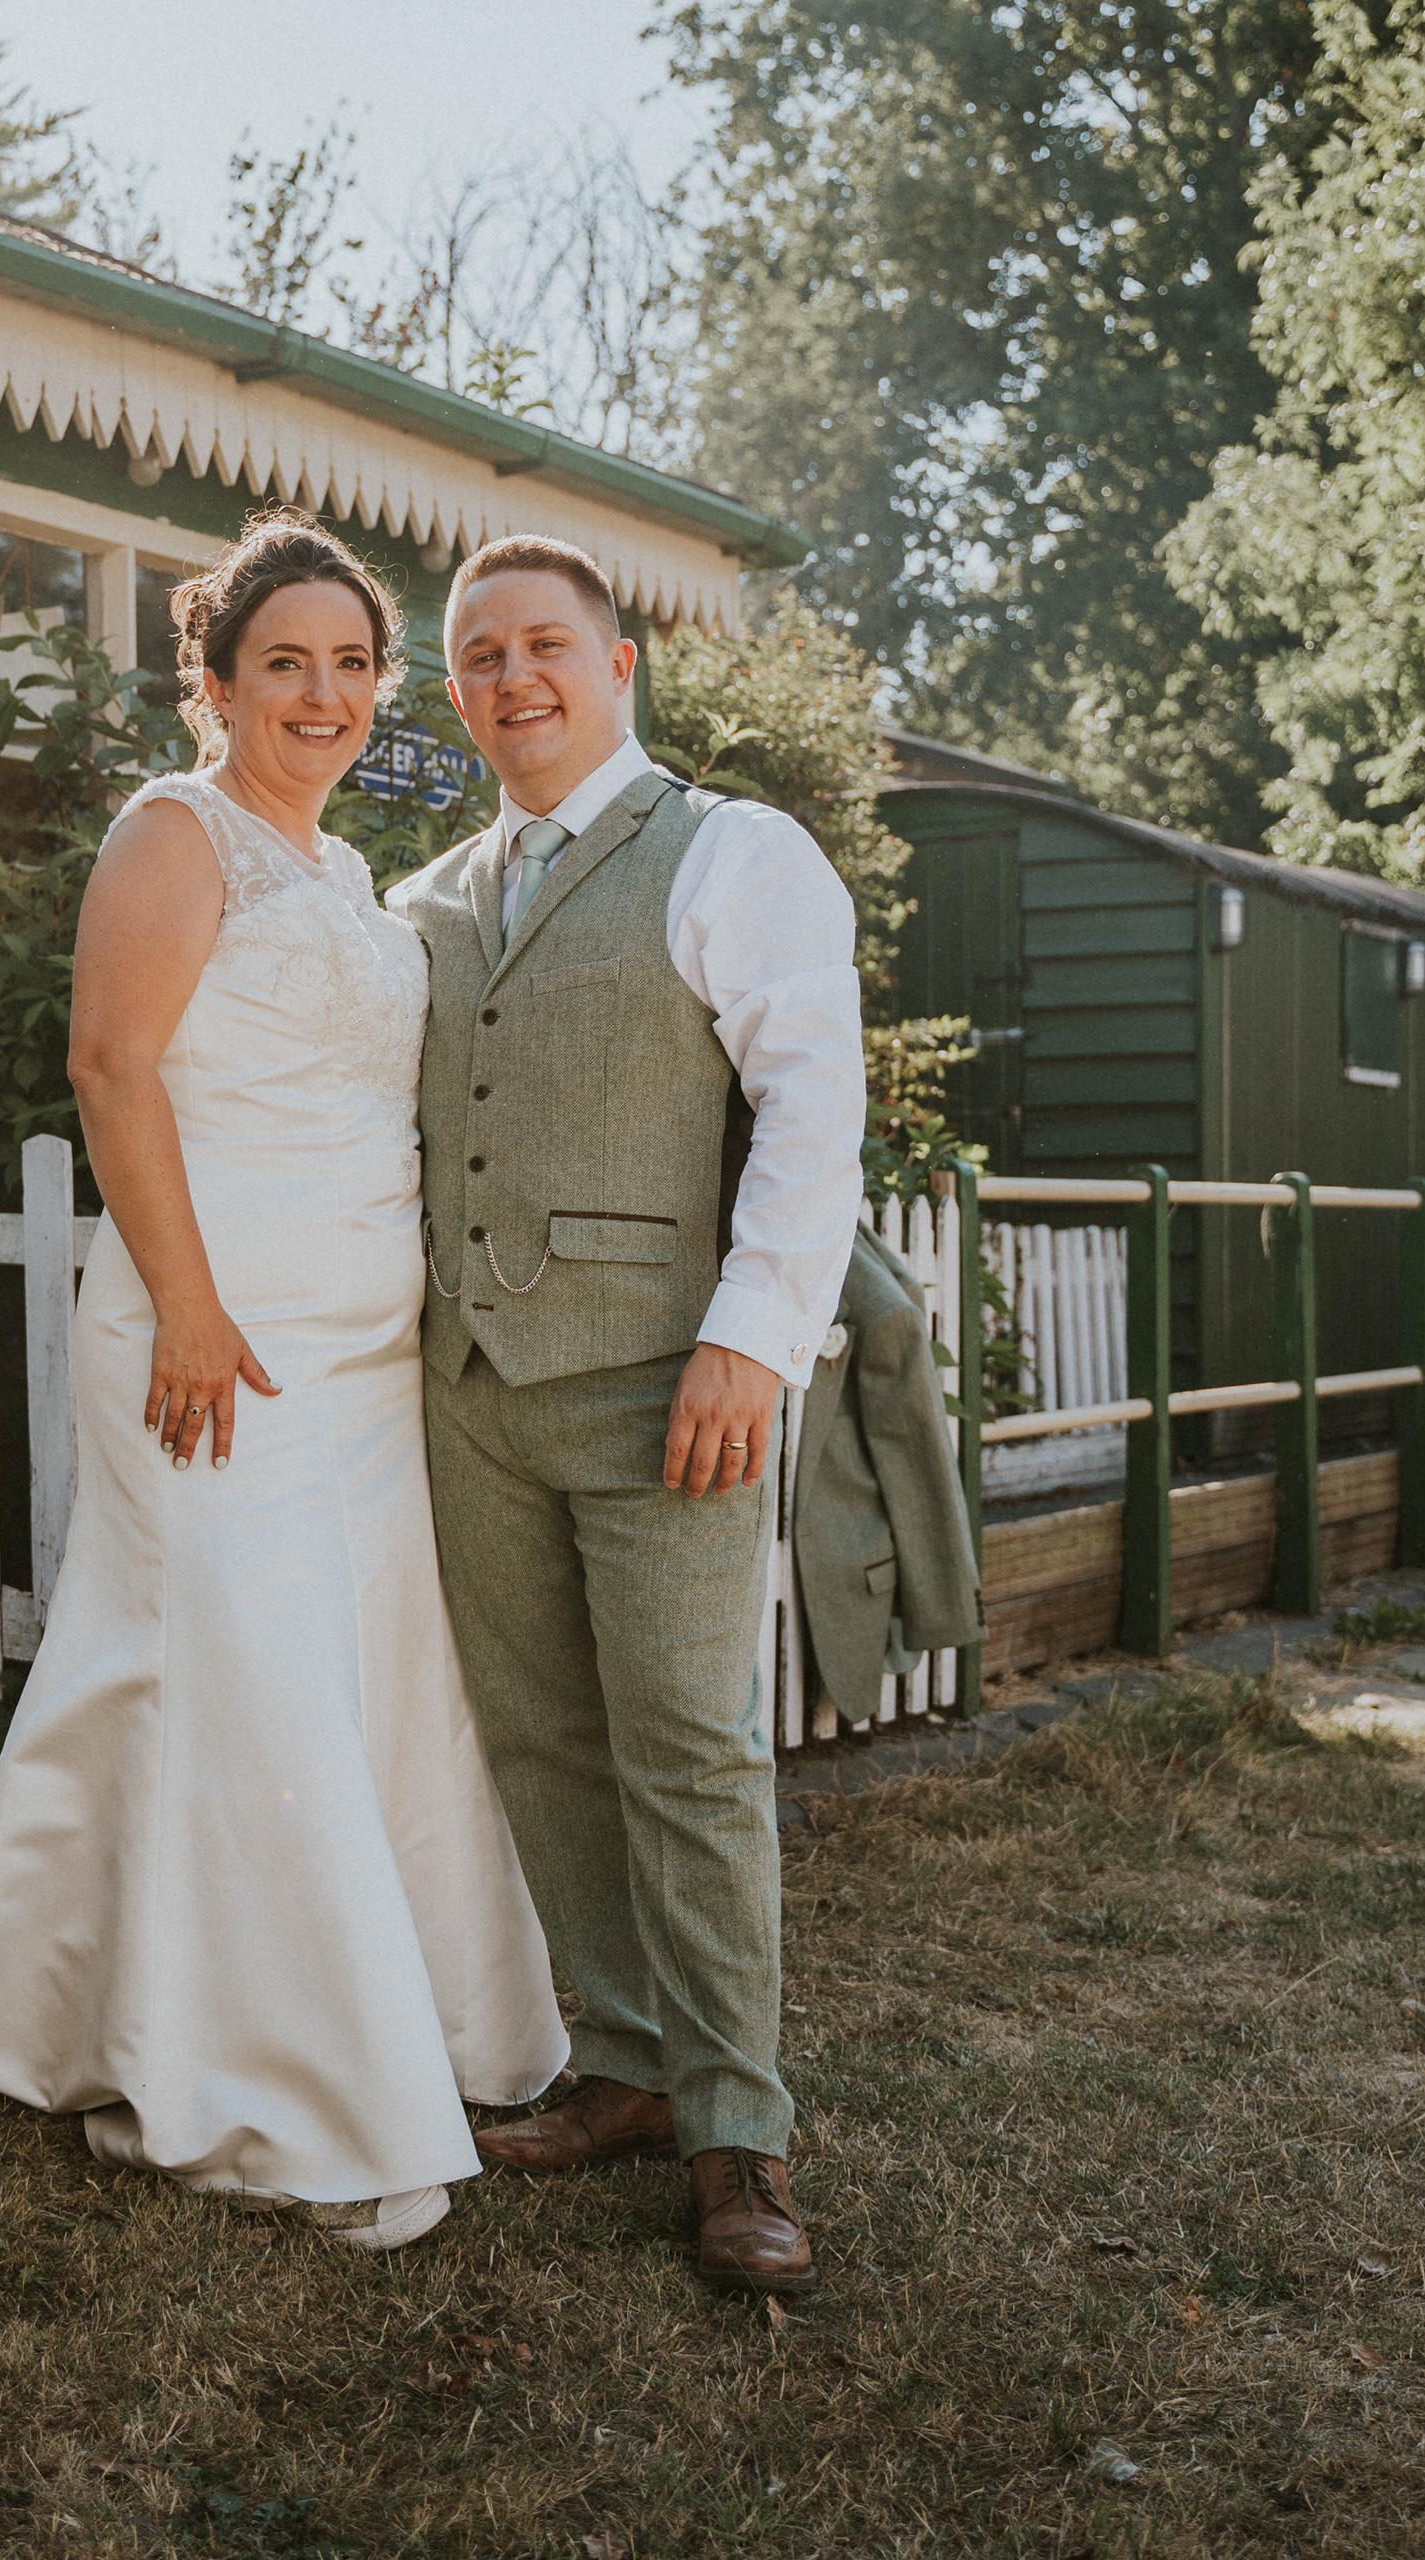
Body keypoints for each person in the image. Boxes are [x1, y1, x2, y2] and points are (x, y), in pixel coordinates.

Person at [0, 512, 567, 2253]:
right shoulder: (174, 833)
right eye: (285, 665)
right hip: (214, 1343)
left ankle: (97, 2012)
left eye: (352, 666)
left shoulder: (342, 877)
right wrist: (188, 1306)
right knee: (248, 1679)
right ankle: (296, 2100)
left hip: (355, 1362)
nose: (323, 695)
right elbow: (110, 1065)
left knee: (324, 1683)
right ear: (212, 685)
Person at [386, 535, 868, 2295]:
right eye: (479, 658)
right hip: (472, 1392)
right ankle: (629, 2067)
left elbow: (816, 1101)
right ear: (456, 695)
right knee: (541, 1738)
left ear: (619, 663)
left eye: (546, 647)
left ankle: (742, 2126)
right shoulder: (427, 896)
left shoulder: (735, 852)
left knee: (689, 1747)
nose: (514, 678)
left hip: (672, 1386)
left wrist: (754, 1338)